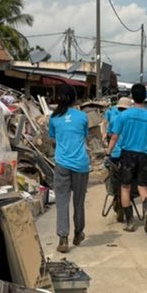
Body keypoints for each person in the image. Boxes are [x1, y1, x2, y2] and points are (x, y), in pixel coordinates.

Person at [107, 83, 147, 233]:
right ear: (145, 97)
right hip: (144, 155)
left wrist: (108, 152)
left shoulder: (124, 116)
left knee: (125, 188)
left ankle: (130, 223)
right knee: (143, 188)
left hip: (127, 155)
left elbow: (114, 136)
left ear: (132, 97)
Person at [47, 85, 89, 253]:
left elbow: (53, 139)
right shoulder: (82, 116)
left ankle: (63, 238)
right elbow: (84, 135)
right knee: (79, 202)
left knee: (62, 202)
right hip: (81, 165)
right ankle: (78, 233)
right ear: (74, 99)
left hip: (62, 164)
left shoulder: (53, 118)